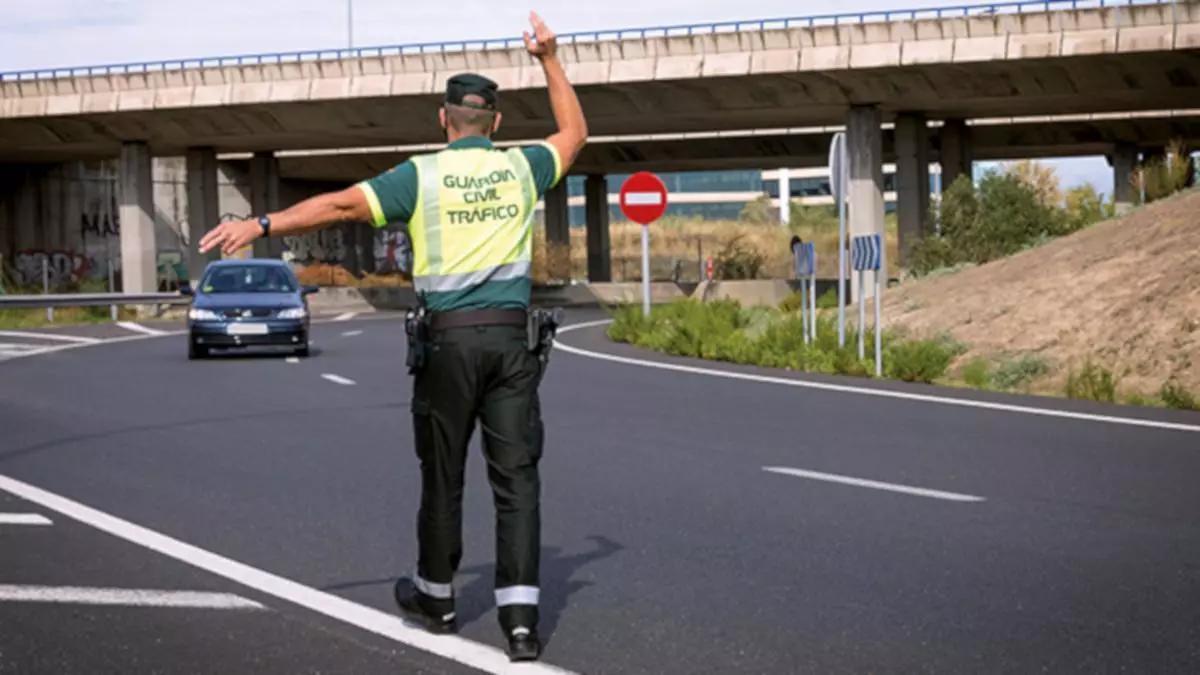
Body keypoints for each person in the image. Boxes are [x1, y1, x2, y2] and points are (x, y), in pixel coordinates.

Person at [198, 11, 587, 662]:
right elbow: (574, 133)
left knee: (443, 473)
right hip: (510, 345)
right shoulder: (522, 167)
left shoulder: (421, 177)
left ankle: (437, 597)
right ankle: (520, 622)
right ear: (494, 122)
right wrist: (549, 57)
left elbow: (340, 205)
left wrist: (262, 222)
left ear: (443, 120)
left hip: (448, 344)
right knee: (516, 479)